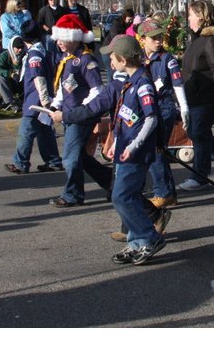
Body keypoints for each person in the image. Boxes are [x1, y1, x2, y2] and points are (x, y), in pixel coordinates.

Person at [72, 35, 168, 266]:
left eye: (113, 58)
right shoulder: (128, 82)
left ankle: (149, 237)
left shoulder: (142, 84)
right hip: (124, 148)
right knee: (129, 196)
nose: (110, 62)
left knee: (120, 196)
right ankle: (136, 242)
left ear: (123, 59)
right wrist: (115, 142)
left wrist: (133, 146)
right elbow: (125, 119)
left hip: (136, 153)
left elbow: (150, 119)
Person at [47, 14, 112, 207]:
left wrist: (83, 110)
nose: (59, 42)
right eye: (57, 38)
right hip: (69, 114)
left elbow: (97, 90)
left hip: (80, 117)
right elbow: (63, 87)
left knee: (70, 157)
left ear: (75, 38)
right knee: (79, 156)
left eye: (63, 38)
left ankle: (72, 195)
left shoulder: (86, 60)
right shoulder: (67, 59)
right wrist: (55, 105)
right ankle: (111, 182)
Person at [177, 0, 214, 191]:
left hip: (207, 97)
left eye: (190, 15)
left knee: (198, 133)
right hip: (193, 96)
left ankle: (200, 176)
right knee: (195, 132)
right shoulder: (197, 38)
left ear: (201, 17)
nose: (188, 18)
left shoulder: (212, 40)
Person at [138, 18, 188, 209]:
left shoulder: (167, 59)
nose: (158, 41)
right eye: (154, 38)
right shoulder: (139, 58)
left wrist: (184, 108)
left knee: (154, 150)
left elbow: (177, 85)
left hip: (163, 108)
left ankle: (163, 192)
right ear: (143, 39)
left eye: (160, 37)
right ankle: (169, 193)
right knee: (156, 150)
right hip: (145, 108)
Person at [4, 21, 63, 175]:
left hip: (35, 100)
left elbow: (39, 78)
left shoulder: (34, 55)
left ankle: (20, 163)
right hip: (43, 98)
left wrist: (44, 101)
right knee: (44, 131)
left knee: (26, 131)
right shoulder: (43, 51)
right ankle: (53, 160)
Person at [0, 36, 25, 111]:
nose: (20, 50)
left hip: (23, 82)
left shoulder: (26, 56)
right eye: (17, 48)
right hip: (10, 82)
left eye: (21, 48)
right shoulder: (4, 56)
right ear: (12, 47)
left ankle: (26, 101)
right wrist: (10, 74)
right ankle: (10, 102)